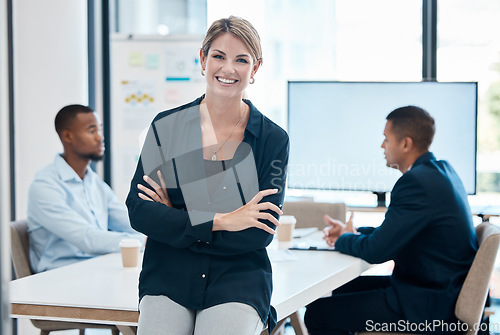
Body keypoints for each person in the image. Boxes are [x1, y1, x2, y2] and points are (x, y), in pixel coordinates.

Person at [126, 16, 289, 335]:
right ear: (202, 59)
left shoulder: (272, 139)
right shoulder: (167, 127)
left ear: (254, 69)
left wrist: (177, 220)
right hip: (168, 276)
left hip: (238, 280)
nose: (228, 69)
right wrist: (222, 219)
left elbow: (258, 233)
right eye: (219, 56)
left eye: (241, 60)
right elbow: (140, 211)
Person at [304, 106, 478, 335]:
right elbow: (397, 232)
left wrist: (344, 239)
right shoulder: (442, 171)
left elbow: (376, 252)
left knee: (318, 313)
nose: (382, 146)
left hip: (429, 308)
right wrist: (354, 232)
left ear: (405, 143)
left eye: (386, 139)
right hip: (437, 290)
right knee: (342, 288)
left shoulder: (415, 183)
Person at [27, 104, 146, 273]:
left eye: (100, 130)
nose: (100, 138)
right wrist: (146, 242)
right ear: (68, 136)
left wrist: (160, 233)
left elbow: (129, 221)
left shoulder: (93, 182)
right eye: (92, 131)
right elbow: (87, 239)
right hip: (60, 276)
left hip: (96, 268)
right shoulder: (45, 186)